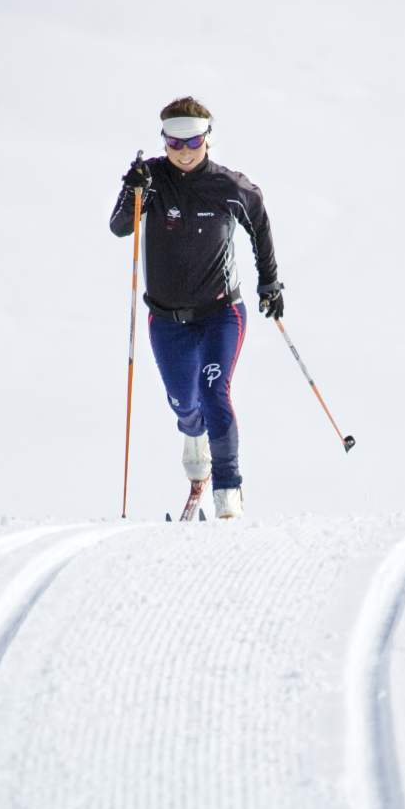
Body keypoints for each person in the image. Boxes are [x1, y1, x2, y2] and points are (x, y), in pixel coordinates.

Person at [109, 96, 282, 520]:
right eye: (174, 142)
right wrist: (132, 191)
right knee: (185, 404)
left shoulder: (228, 186)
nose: (184, 152)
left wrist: (269, 281)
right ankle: (195, 446)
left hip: (221, 313)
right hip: (166, 319)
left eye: (193, 141)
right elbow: (119, 228)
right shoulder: (150, 179)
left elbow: (259, 221)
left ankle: (228, 496)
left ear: (207, 138)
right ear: (164, 140)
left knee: (213, 393)